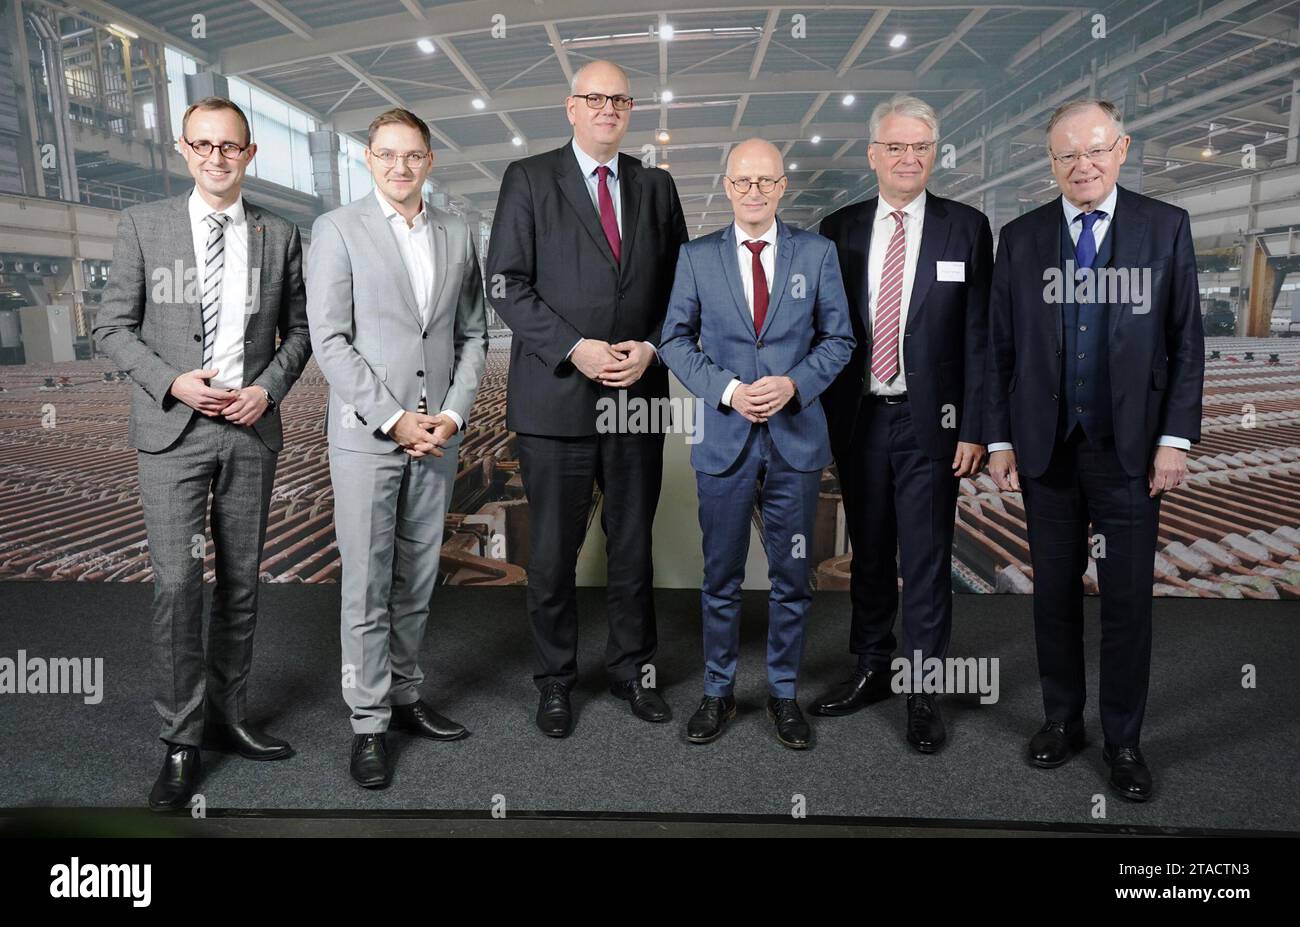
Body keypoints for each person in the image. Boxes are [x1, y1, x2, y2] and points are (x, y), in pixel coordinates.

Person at [93, 96, 312, 811]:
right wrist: (172, 381)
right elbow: (112, 329)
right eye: (203, 145)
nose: (217, 157)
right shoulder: (142, 225)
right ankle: (181, 738)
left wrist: (268, 390)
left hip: (247, 431)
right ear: (184, 152)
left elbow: (302, 332)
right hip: (172, 432)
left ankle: (228, 715)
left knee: (242, 584)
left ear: (250, 155)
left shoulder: (278, 234)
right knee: (179, 586)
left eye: (230, 146)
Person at [985, 99, 1204, 801]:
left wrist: (1174, 438)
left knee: (1127, 603)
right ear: (1049, 162)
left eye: (1095, 151)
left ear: (1122, 149)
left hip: (1131, 454)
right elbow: (1000, 347)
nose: (1082, 166)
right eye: (1066, 156)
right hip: (1047, 452)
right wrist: (997, 437)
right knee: (1052, 595)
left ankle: (1124, 739)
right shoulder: (1019, 238)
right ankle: (1062, 720)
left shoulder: (1165, 228)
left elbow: (1186, 342)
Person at [486, 60, 687, 738]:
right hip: (558, 395)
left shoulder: (656, 186)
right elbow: (506, 284)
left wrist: (652, 348)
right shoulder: (530, 179)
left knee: (632, 545)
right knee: (552, 552)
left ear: (630, 111)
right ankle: (555, 681)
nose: (608, 108)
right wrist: (577, 347)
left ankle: (633, 671)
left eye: (620, 99)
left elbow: (680, 289)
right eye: (594, 98)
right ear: (571, 108)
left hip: (639, 393)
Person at [307, 107, 488, 789]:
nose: (400, 167)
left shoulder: (456, 232)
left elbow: (473, 335)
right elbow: (329, 338)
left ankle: (407, 695)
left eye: (412, 155)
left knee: (416, 578)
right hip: (366, 439)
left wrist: (449, 414)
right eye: (387, 154)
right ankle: (368, 720)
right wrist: (391, 418)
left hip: (436, 437)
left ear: (429, 161)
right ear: (369, 159)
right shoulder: (337, 230)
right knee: (367, 582)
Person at [659, 139, 853, 749]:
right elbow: (673, 340)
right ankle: (718, 692)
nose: (753, 192)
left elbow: (839, 340)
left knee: (792, 576)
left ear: (782, 186)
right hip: (725, 441)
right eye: (743, 182)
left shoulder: (817, 253)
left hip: (795, 441)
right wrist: (727, 391)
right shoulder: (696, 257)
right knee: (720, 575)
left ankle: (783, 693)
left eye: (765, 181)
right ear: (727, 186)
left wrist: (794, 383)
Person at [813, 95, 992, 754]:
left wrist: (974, 426)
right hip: (859, 420)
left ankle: (923, 690)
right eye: (896, 146)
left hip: (932, 425)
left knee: (925, 560)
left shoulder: (966, 228)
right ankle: (870, 666)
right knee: (869, 555)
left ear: (933, 154)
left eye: (920, 147)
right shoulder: (839, 228)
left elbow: (978, 336)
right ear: (873, 155)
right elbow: (823, 330)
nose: (909, 158)